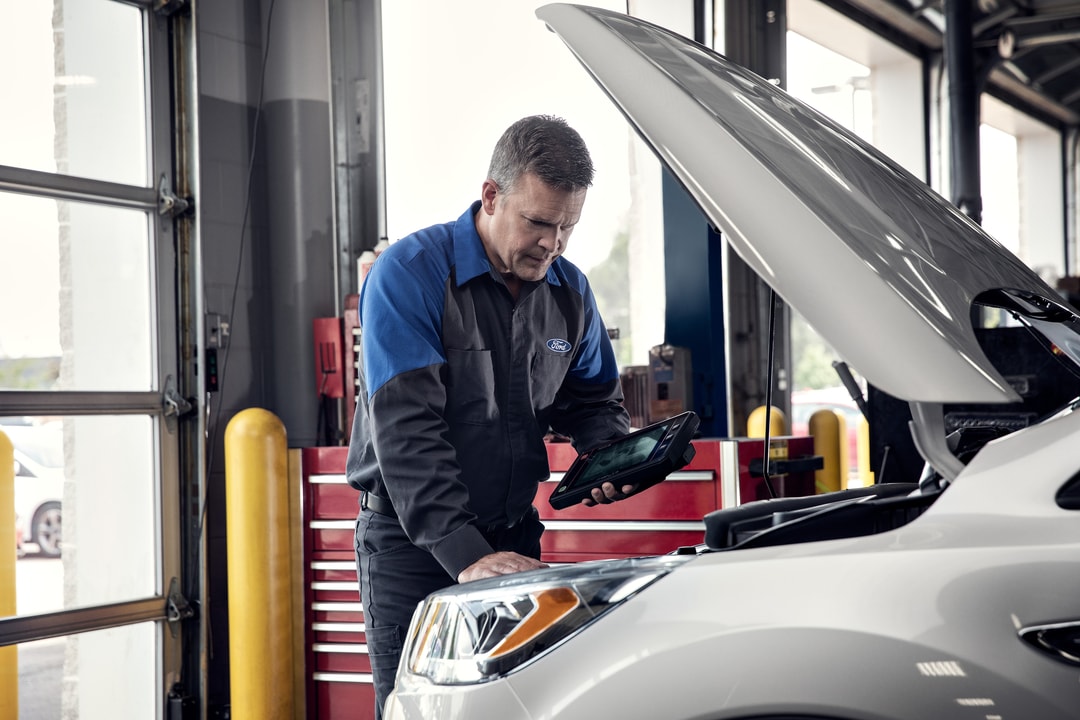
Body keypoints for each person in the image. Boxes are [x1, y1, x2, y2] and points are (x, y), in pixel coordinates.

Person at [345, 114, 633, 717]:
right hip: (414, 546)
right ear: (492, 195)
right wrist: (465, 553)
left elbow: (592, 400)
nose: (551, 244)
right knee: (420, 710)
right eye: (537, 223)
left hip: (512, 536)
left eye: (566, 227)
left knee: (517, 706)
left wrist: (607, 452)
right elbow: (406, 428)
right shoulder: (410, 275)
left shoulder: (569, 292)